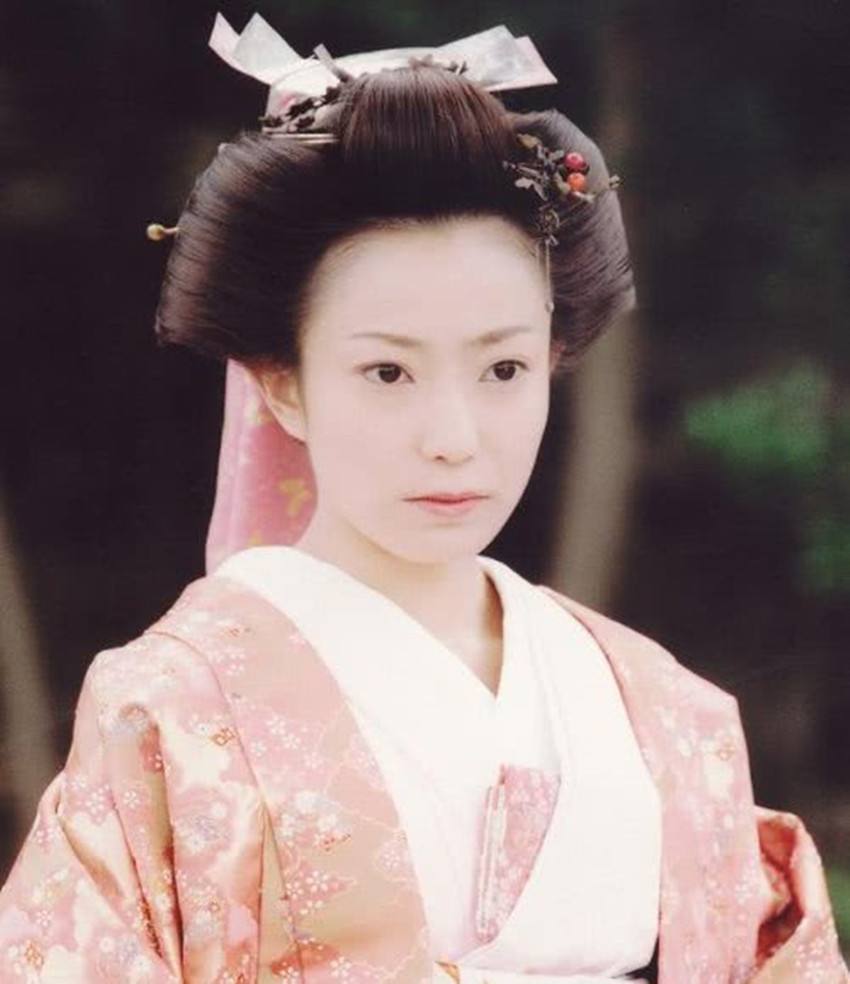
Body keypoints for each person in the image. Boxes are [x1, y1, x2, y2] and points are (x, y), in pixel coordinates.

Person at [0, 15, 846, 984]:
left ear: (553, 360)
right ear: (282, 382)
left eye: (503, 370)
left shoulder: (660, 706)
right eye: (388, 373)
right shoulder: (173, 709)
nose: (454, 436)